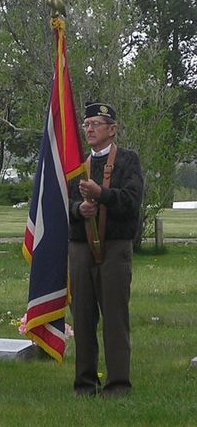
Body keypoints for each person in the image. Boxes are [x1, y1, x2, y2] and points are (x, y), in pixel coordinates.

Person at [68, 102, 144, 398]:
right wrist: (79, 209)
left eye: (96, 124)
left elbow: (131, 201)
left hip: (114, 245)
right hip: (81, 246)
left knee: (115, 316)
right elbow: (64, 206)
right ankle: (84, 384)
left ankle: (118, 385)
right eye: (86, 125)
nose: (90, 129)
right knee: (83, 317)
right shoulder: (77, 164)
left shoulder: (127, 160)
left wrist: (103, 195)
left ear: (112, 130)